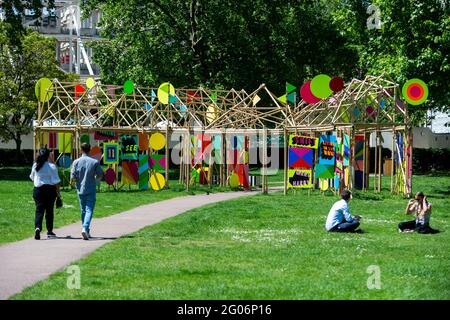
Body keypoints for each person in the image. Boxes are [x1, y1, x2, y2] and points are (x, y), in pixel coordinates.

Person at [70, 143, 103, 240]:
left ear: (81, 150)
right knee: (89, 209)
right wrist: (96, 180)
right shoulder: (94, 162)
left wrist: (77, 181)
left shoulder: (76, 162)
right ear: (90, 150)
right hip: (91, 188)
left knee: (83, 210)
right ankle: (85, 228)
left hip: (80, 189)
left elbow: (72, 176)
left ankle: (86, 229)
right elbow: (100, 174)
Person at [30, 148, 61, 240]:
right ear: (48, 155)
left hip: (38, 190)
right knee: (49, 211)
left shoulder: (35, 165)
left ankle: (38, 227)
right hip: (50, 190)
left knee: (39, 210)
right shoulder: (52, 166)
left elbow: (32, 177)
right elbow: (56, 181)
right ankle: (49, 231)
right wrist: (58, 194)